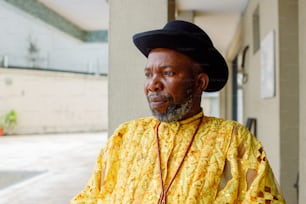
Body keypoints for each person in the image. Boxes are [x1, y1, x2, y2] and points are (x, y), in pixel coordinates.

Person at [71, 20, 285, 204]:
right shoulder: (125, 136)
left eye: (168, 73)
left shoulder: (234, 141)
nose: (153, 85)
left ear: (200, 83)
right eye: (148, 75)